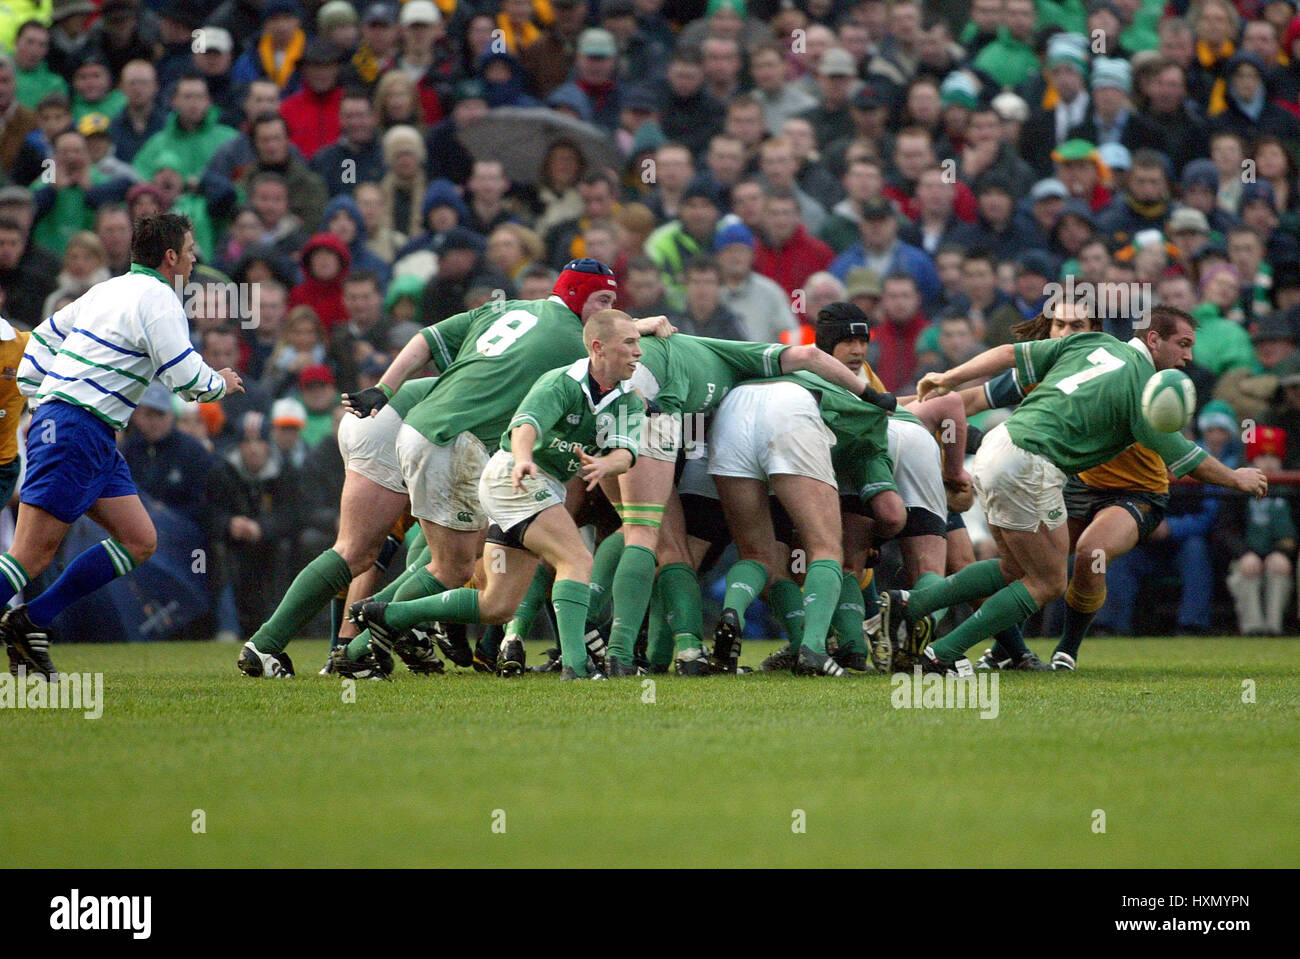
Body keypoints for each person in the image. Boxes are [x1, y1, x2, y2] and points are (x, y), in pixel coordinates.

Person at [885, 304, 1268, 674]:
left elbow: (1005, 352)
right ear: (1153, 340)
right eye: (1183, 345)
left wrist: (945, 378)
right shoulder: (1142, 387)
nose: (1188, 357)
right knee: (1048, 580)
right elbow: (1184, 458)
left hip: (1001, 449)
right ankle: (943, 655)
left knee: (1018, 568)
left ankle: (910, 604)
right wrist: (1237, 478)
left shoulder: (1089, 346)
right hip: (1033, 467)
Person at [2, 214, 243, 680]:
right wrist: (220, 383)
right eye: (190, 250)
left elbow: (46, 336)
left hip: (87, 429)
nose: (195, 259)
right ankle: (26, 622)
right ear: (171, 257)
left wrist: (36, 390)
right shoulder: (160, 300)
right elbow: (184, 376)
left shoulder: (107, 289)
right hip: (76, 426)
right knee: (29, 556)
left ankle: (32, 619)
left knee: (139, 539)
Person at [354, 309, 647, 681]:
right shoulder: (561, 381)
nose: (639, 352)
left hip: (535, 486)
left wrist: (608, 465)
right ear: (598, 348)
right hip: (513, 477)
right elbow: (525, 425)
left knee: (497, 606)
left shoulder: (628, 399)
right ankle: (577, 666)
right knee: (576, 560)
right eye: (630, 343)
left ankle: (384, 618)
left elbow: (626, 452)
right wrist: (524, 460)